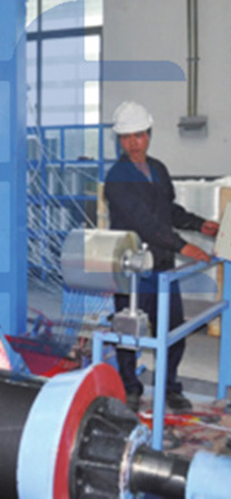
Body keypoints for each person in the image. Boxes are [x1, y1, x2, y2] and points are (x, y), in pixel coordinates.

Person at [104, 101, 219, 413]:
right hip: (131, 269)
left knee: (172, 331)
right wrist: (184, 246)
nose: (133, 143)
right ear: (120, 139)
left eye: (139, 135)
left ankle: (169, 387)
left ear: (149, 134)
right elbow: (144, 222)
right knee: (128, 333)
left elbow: (168, 211)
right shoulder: (117, 177)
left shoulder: (158, 169)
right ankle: (130, 387)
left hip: (163, 268)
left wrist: (199, 224)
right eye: (126, 137)